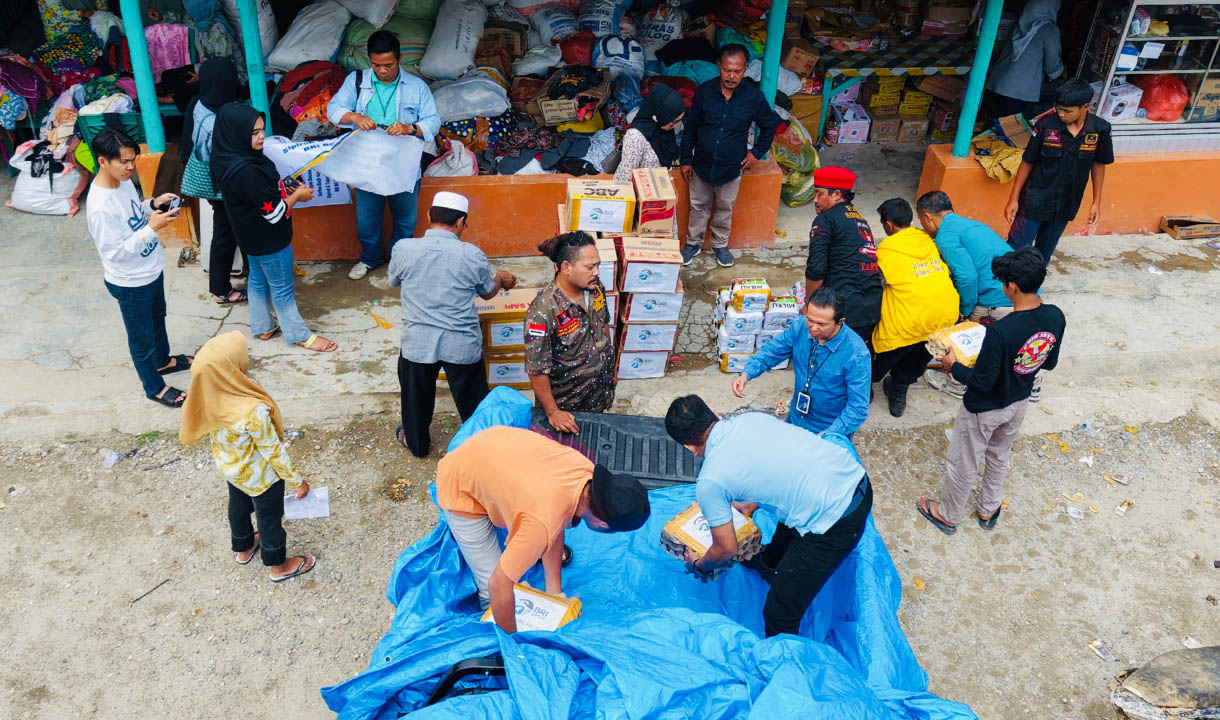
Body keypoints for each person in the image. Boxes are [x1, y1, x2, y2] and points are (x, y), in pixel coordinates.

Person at [664, 395, 871, 638]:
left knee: (780, 612)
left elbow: (726, 550)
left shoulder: (710, 480)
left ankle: (784, 665)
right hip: (855, 479)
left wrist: (699, 564)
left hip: (836, 521)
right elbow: (783, 459)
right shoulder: (752, 419)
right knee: (776, 551)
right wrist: (752, 503)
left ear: (689, 447)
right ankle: (769, 565)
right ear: (715, 415)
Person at [436, 426, 649, 632]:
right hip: (459, 484)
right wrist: (513, 645)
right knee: (494, 596)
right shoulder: (542, 522)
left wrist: (554, 593)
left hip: (491, 445)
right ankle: (495, 633)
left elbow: (557, 523)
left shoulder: (584, 472)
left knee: (537, 532)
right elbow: (498, 584)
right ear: (603, 525)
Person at [917, 247, 1065, 536]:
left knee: (965, 461)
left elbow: (981, 381)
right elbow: (1050, 362)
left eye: (1003, 283)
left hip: (984, 408)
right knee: (999, 454)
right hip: (1019, 400)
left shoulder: (1001, 331)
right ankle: (988, 508)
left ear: (1011, 286)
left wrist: (952, 365)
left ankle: (948, 515)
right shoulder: (1055, 316)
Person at [387, 191, 517, 457]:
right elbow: (486, 292)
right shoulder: (472, 254)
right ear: (460, 223)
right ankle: (479, 447)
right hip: (461, 344)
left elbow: (393, 281)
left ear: (428, 217)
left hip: (417, 344)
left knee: (415, 399)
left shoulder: (403, 248)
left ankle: (418, 444)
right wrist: (501, 280)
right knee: (472, 400)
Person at [179, 331, 316, 582]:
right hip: (262, 479)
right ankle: (279, 565)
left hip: (232, 472)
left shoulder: (206, 397)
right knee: (269, 518)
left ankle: (244, 548)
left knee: (238, 508)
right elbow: (272, 451)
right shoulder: (252, 410)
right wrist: (297, 481)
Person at [211, 103, 338, 353]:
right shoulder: (248, 171)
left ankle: (263, 326)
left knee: (258, 280)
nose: (261, 138)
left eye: (262, 130)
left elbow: (259, 198)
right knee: (282, 289)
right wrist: (296, 197)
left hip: (249, 238)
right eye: (254, 133)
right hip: (270, 239)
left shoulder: (228, 157)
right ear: (237, 133)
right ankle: (300, 335)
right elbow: (275, 214)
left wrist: (284, 187)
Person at [86, 129, 194, 408]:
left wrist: (152, 205)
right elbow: (115, 253)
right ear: (102, 161)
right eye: (123, 162)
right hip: (130, 281)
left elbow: (135, 212)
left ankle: (164, 361)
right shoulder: (100, 207)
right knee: (141, 339)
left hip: (150, 269)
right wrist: (151, 228)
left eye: (132, 160)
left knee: (158, 319)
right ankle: (154, 387)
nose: (130, 167)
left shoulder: (121, 183)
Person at [326, 29, 441, 282]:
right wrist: (355, 117)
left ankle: (398, 262)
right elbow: (333, 109)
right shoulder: (356, 81)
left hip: (404, 162)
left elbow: (433, 121)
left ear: (399, 60)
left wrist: (410, 128)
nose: (382, 70)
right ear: (370, 61)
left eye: (388, 65)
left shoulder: (417, 86)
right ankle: (370, 257)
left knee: (405, 219)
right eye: (376, 65)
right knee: (367, 220)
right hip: (369, 161)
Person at [678, 43, 780, 268]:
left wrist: (756, 153)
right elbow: (691, 128)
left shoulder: (753, 97)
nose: (731, 76)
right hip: (702, 164)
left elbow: (770, 125)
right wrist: (686, 159)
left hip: (732, 167)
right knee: (698, 206)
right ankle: (693, 243)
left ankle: (720, 245)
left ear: (745, 69)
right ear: (719, 67)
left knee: (725, 208)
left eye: (737, 71)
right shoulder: (704, 92)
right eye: (727, 70)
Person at [733, 287, 871, 437]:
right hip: (796, 417)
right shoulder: (800, 327)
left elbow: (857, 409)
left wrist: (828, 435)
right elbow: (772, 351)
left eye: (821, 324)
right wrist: (747, 373)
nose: (813, 328)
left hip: (829, 428)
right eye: (810, 319)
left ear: (840, 321)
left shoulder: (857, 355)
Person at [916, 191, 1015, 399]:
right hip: (1021, 294)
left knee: (965, 340)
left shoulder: (946, 237)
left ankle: (956, 384)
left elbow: (967, 278)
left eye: (922, 222)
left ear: (926, 217)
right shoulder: (970, 224)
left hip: (994, 300)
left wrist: (965, 312)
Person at [1004, 78, 1113, 266]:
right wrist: (1013, 198)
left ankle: (1030, 290)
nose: (1061, 114)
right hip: (1033, 200)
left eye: (1067, 111)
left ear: (1085, 107)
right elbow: (1027, 161)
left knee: (1044, 252)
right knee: (1017, 248)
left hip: (1066, 203)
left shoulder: (1100, 130)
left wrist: (1096, 202)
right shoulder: (1045, 125)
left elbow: (1098, 164)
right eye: (1059, 109)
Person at [871, 198, 960, 418]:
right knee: (919, 357)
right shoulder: (928, 241)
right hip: (943, 316)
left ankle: (868, 386)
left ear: (888, 225)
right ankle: (900, 386)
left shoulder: (886, 251)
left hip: (908, 322)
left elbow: (874, 287)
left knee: (880, 357)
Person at [525, 232, 615, 435]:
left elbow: (604, 324)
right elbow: (536, 370)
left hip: (599, 396)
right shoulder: (543, 312)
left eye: (598, 265)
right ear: (566, 267)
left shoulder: (596, 289)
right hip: (568, 410)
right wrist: (553, 412)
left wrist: (611, 370)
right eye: (590, 267)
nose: (596, 272)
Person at [178, 57, 247, 306]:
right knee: (228, 234)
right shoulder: (221, 118)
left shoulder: (198, 102)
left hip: (210, 181)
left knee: (224, 233)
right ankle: (221, 289)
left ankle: (221, 286)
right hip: (225, 184)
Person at [804, 166, 883, 348]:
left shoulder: (825, 220)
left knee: (831, 359)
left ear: (837, 194)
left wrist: (810, 303)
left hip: (842, 308)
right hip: (870, 308)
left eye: (819, 194)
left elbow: (816, 268)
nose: (815, 200)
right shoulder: (860, 219)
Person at [985, 0, 1063, 118]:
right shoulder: (1049, 30)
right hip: (1019, 91)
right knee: (1008, 129)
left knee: (991, 123)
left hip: (998, 81)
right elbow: (1052, 64)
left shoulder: (1016, 24)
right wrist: (1058, 73)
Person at [613, 83, 685, 183]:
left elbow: (671, 163)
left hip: (663, 192)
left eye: (678, 121)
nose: (675, 125)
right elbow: (624, 178)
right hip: (642, 194)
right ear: (661, 113)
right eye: (674, 121)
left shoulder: (665, 131)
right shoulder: (635, 136)